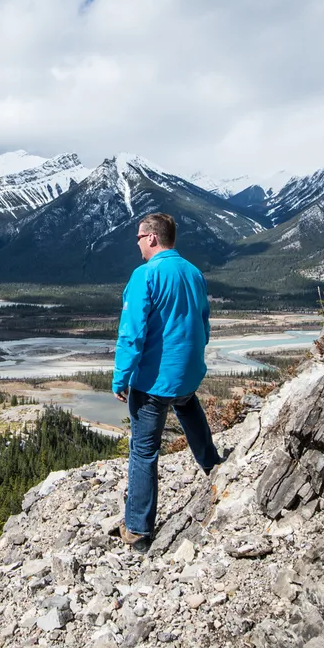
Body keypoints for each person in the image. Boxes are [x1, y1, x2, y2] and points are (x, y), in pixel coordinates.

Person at [112, 212, 222, 547]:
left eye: (138, 239)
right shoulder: (193, 272)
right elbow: (203, 323)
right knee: (188, 404)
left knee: (144, 450)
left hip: (154, 378)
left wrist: (121, 377)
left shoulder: (145, 275)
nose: (138, 245)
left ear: (152, 238)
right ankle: (215, 468)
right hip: (187, 371)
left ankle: (138, 530)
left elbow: (132, 333)